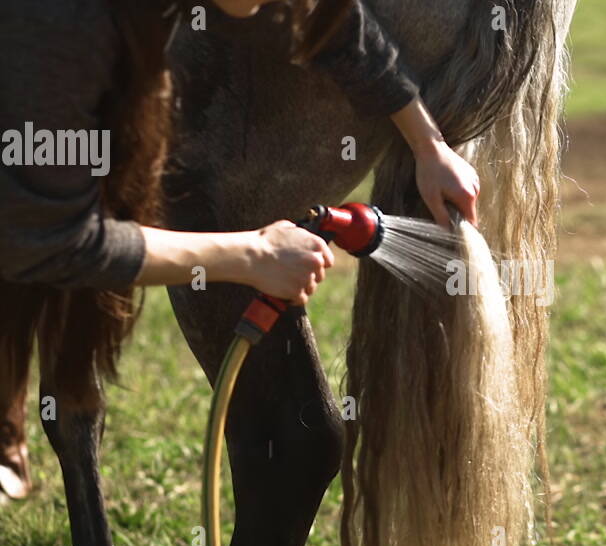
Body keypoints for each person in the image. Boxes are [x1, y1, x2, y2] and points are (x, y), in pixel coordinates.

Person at [0, 0, 480, 500]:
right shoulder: (59, 23)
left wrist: (429, 146)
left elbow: (333, 23)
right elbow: (48, 240)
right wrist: (249, 255)